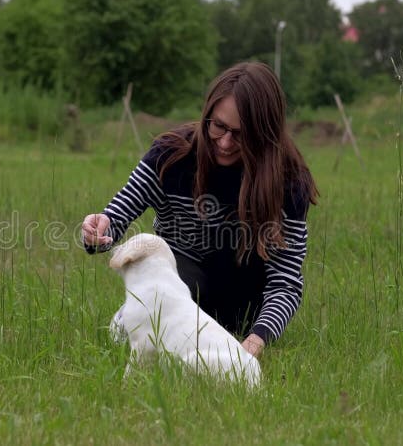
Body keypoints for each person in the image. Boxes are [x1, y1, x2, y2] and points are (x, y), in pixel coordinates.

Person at [82, 62, 318, 357]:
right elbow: (117, 215)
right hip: (175, 296)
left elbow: (285, 282)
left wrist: (256, 340)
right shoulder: (170, 155)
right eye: (218, 125)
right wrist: (98, 230)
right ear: (207, 113)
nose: (225, 142)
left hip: (243, 311)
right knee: (178, 272)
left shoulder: (290, 181)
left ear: (264, 133)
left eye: (241, 134)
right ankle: (134, 320)